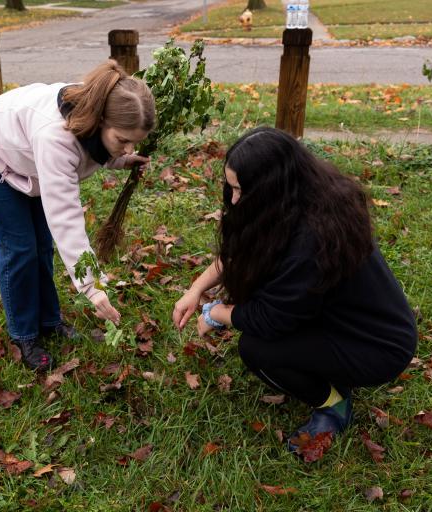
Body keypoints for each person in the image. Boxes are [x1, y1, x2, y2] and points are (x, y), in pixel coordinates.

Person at [172, 127, 417, 451]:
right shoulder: (299, 201)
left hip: (377, 347)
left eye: (240, 190)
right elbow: (244, 252)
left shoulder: (311, 241)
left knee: (258, 349)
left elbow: (268, 318)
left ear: (270, 189)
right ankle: (327, 365)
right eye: (230, 187)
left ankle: (333, 403)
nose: (233, 199)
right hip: (339, 320)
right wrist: (197, 287)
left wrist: (215, 312)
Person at [0, 60, 155, 371]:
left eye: (134, 141)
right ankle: (24, 334)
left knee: (41, 246)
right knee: (20, 248)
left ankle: (50, 322)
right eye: (123, 140)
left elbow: (94, 150)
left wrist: (123, 159)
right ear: (101, 120)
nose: (128, 147)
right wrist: (92, 286)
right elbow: (66, 218)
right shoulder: (56, 137)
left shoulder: (95, 115)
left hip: (27, 158)